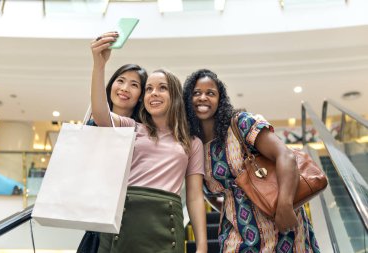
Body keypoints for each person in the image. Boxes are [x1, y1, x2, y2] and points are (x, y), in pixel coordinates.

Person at [90, 32, 208, 253]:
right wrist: (99, 65)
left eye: (162, 87)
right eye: (149, 89)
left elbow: (194, 196)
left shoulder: (192, 142)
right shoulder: (132, 127)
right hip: (123, 222)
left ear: (174, 95)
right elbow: (100, 114)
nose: (154, 93)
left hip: (167, 226)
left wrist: (201, 245)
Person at [183, 69, 320, 252]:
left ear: (220, 99)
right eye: (196, 93)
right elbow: (204, 192)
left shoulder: (240, 124)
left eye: (211, 93)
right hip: (237, 237)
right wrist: (232, 207)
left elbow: (285, 155)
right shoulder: (195, 146)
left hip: (281, 229)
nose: (203, 98)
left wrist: (285, 205)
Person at [77, 34, 148, 253]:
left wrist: (99, 65)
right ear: (110, 86)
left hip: (129, 214)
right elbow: (101, 117)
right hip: (95, 212)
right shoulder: (92, 123)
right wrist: (99, 65)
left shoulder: (140, 129)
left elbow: (103, 116)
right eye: (120, 80)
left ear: (140, 96)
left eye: (134, 84)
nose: (125, 88)